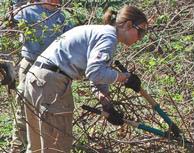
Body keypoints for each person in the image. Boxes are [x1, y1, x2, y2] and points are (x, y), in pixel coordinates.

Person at [24, 4, 148, 153]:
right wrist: (124, 77)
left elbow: (96, 76)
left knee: (37, 148)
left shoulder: (100, 32)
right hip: (51, 83)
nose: (140, 38)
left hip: (36, 78)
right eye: (140, 32)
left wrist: (106, 103)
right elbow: (95, 72)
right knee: (57, 147)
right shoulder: (108, 38)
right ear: (128, 25)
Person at [10, 0, 73, 152]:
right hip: (30, 65)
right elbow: (12, 27)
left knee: (48, 111)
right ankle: (17, 146)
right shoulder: (28, 11)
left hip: (53, 72)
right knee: (24, 107)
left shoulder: (62, 16)